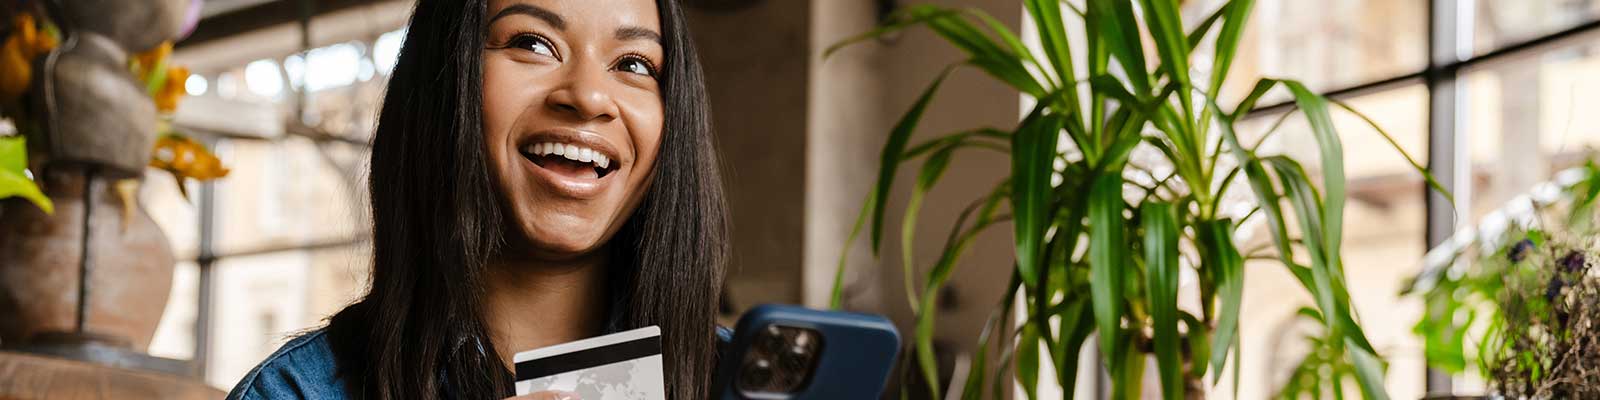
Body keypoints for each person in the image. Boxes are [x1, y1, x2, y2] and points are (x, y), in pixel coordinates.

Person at [224, 0, 729, 398]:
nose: (589, 96)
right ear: (445, 80)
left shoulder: (745, 383)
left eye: (635, 63)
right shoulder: (296, 393)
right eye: (533, 42)